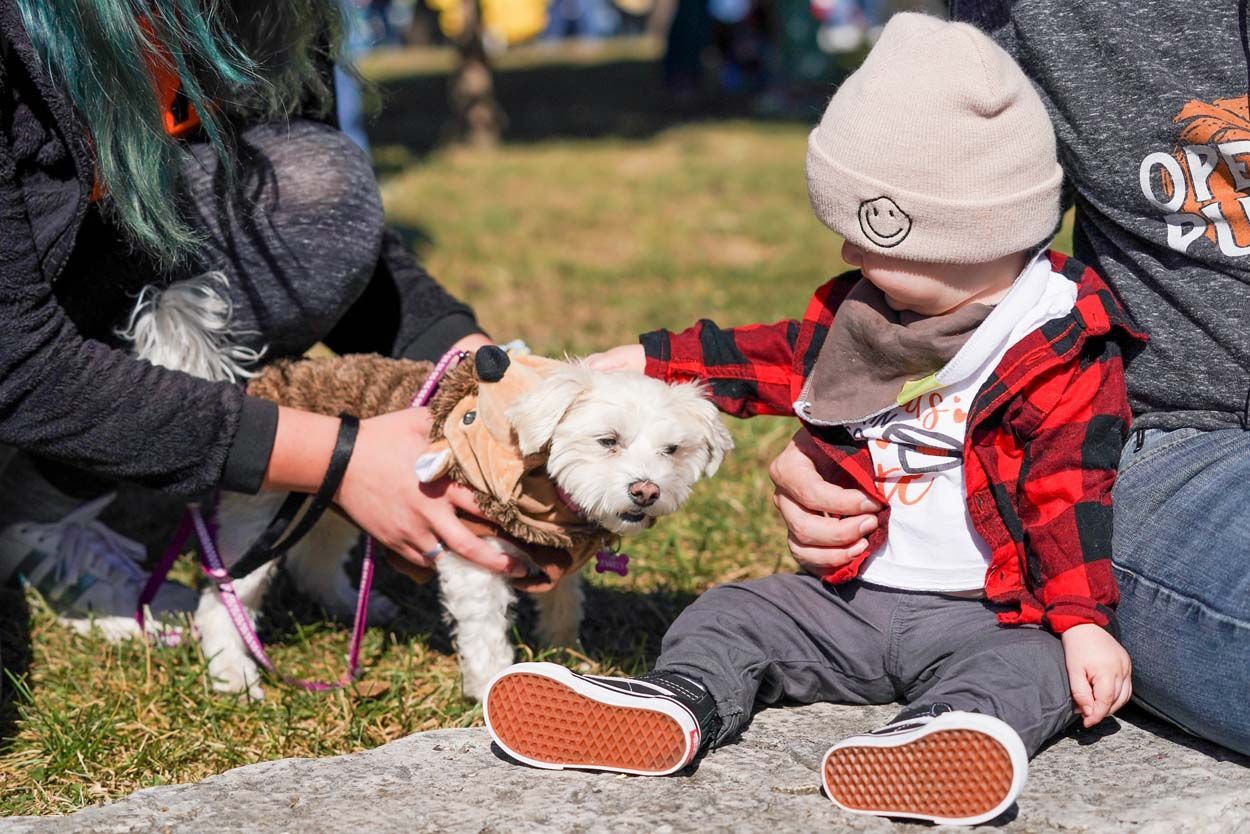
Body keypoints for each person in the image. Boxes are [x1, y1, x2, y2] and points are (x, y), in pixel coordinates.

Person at [479, 14, 1139, 825]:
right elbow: (763, 356)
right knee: (732, 612)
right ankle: (678, 705)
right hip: (853, 602)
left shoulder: (1057, 344)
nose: (849, 262)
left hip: (988, 612)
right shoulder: (868, 313)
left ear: (972, 236)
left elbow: (1069, 493)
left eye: (871, 240)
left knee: (1036, 667)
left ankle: (952, 738)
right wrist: (653, 360)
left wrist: (1080, 623)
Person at [769, 0, 1250, 757]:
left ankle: (955, 734)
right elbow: (951, 257)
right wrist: (840, 407)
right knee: (735, 618)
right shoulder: (1046, 22)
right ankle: (690, 690)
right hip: (1173, 438)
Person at [0, 0, 531, 641]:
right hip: (19, 341)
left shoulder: (275, 11)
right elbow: (15, 358)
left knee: (315, 185)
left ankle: (56, 484)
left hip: (75, 283)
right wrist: (341, 459)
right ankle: (36, 515)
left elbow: (326, 244)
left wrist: (488, 377)